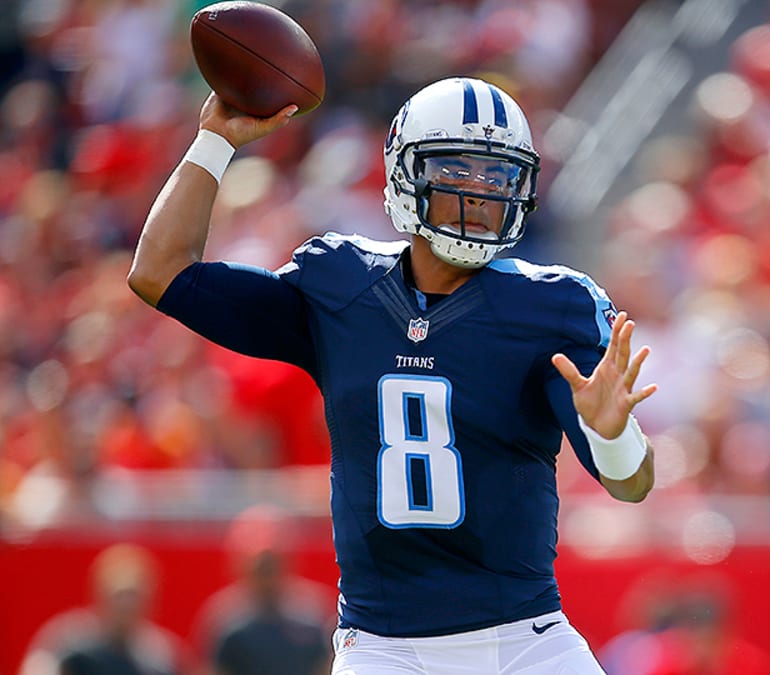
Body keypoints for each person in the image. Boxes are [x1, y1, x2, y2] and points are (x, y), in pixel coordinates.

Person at [127, 76, 657, 674]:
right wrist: (214, 141)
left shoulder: (552, 306)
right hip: (384, 649)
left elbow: (630, 486)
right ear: (405, 175)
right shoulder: (338, 284)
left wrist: (614, 434)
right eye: (458, 171)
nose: (482, 195)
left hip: (526, 641)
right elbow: (160, 272)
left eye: (499, 176)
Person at [193, 504, 334, 675]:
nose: (267, 577)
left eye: (271, 565)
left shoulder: (314, 613)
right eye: (261, 567)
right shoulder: (223, 619)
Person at [18, 543, 189, 675]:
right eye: (119, 597)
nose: (126, 607)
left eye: (134, 598)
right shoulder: (68, 641)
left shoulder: (162, 656)